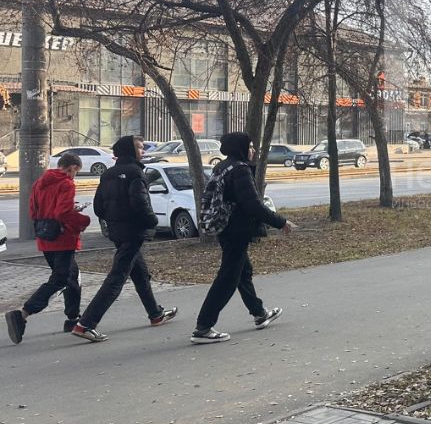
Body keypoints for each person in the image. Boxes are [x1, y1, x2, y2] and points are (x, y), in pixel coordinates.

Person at [191, 132, 295, 344]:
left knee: (243, 272)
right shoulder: (240, 170)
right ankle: (203, 327)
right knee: (227, 278)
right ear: (241, 148)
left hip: (225, 228)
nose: (253, 150)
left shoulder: (222, 167)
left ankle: (259, 313)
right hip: (236, 230)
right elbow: (253, 205)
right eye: (250, 146)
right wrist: (281, 222)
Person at [73, 136, 178, 343]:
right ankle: (85, 324)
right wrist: (152, 221)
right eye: (139, 147)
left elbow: (98, 207)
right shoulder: (136, 173)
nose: (143, 151)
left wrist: (114, 220)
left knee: (140, 274)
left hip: (116, 231)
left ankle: (155, 314)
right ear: (130, 150)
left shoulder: (108, 174)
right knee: (117, 278)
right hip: (134, 231)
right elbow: (141, 202)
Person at [4, 152, 91, 344]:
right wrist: (83, 220)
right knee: (60, 279)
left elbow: (34, 211)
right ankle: (23, 313)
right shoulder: (66, 184)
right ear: (72, 167)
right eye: (76, 172)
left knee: (72, 276)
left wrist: (66, 211)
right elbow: (62, 213)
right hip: (63, 239)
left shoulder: (39, 183)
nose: (75, 175)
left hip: (46, 238)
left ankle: (73, 318)